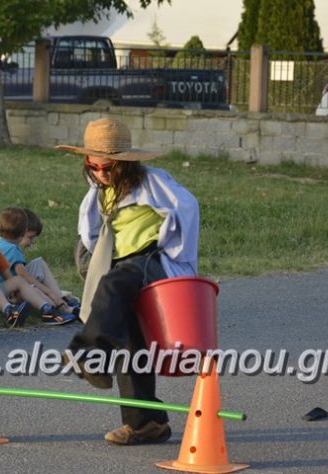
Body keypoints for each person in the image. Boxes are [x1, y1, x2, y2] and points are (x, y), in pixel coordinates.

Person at [55, 118, 199, 445]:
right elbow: (93, 228)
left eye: (108, 167)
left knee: (113, 285)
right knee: (130, 346)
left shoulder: (153, 181)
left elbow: (188, 207)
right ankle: (145, 422)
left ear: (125, 164)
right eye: (93, 166)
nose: (101, 173)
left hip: (151, 260)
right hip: (122, 263)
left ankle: (88, 353)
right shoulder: (101, 190)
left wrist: (174, 246)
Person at [0, 207, 77, 325]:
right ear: (22, 233)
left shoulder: (0, 243)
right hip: (6, 295)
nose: (32, 242)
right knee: (32, 287)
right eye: (30, 237)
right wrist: (48, 291)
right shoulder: (12, 249)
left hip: (2, 289)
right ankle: (56, 307)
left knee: (39, 263)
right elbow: (24, 276)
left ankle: (61, 301)